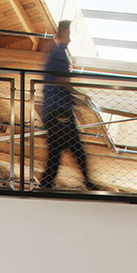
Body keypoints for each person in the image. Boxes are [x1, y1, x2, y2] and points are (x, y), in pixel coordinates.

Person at [38, 20, 97, 192]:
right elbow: (62, 80)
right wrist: (78, 96)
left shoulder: (54, 54)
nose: (70, 38)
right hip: (60, 111)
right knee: (76, 151)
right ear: (62, 34)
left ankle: (46, 185)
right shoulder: (60, 53)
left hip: (52, 111)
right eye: (68, 34)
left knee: (56, 154)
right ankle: (88, 183)